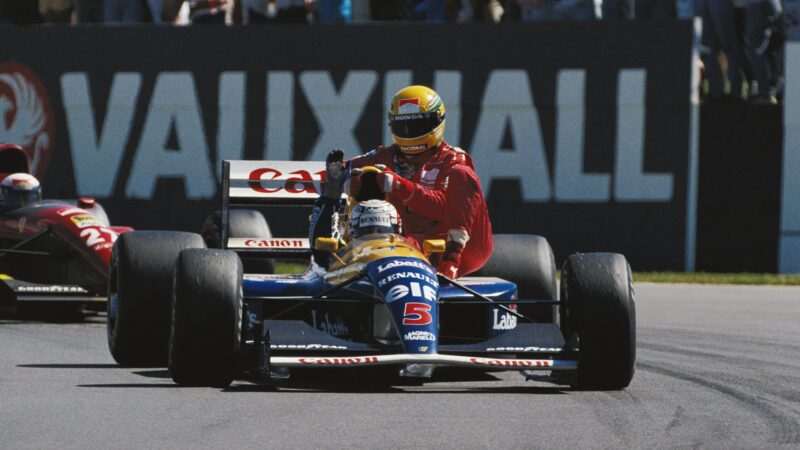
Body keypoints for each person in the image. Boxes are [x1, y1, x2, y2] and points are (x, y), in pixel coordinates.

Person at [310, 85, 493, 279]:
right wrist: (344, 183)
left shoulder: (454, 159)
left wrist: (400, 186)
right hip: (413, 243)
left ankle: (451, 262)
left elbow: (444, 208)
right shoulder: (384, 156)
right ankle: (343, 261)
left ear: (437, 121)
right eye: (402, 126)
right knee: (364, 178)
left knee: (462, 174)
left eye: (418, 126)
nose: (409, 132)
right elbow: (334, 173)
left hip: (469, 248)